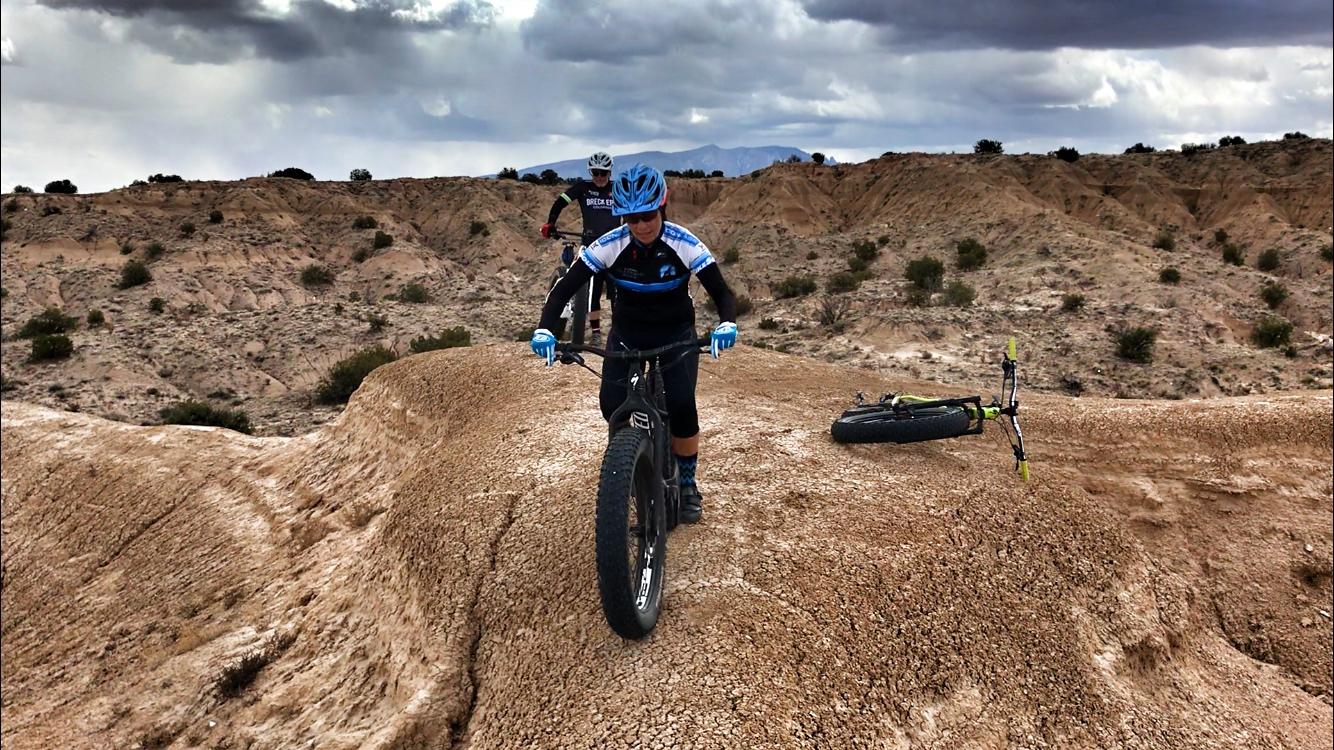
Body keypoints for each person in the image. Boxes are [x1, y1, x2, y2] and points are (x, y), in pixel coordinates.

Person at [530, 164, 738, 524]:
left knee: (682, 406)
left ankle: (688, 485)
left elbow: (720, 290)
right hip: (627, 335)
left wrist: (727, 322)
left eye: (647, 215)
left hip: (676, 335)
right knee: (610, 404)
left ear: (662, 207)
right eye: (631, 218)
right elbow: (565, 289)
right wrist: (546, 329)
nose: (641, 225)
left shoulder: (684, 242)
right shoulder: (610, 245)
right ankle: (629, 461)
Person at [540, 151, 619, 345]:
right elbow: (560, 202)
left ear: (609, 172)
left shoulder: (619, 189)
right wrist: (551, 223)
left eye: (603, 173)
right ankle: (596, 332)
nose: (599, 177)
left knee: (620, 292)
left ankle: (619, 332)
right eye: (595, 172)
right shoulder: (583, 188)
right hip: (592, 245)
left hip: (615, 246)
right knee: (593, 290)